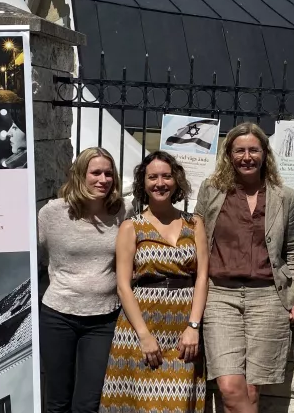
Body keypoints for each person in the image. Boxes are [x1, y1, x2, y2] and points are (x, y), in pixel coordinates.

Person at [194, 122, 294, 413]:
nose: (247, 156)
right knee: (230, 388)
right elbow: (197, 241)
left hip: (268, 298)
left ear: (265, 154)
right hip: (220, 296)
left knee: (252, 392)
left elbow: (291, 251)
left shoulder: (284, 196)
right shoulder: (213, 190)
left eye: (254, 150)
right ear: (228, 155)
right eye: (239, 150)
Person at [99, 151, 208, 413]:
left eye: (166, 176)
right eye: (153, 177)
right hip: (141, 325)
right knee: (140, 404)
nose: (160, 183)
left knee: (178, 403)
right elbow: (124, 286)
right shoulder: (131, 227)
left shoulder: (194, 223)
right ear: (143, 184)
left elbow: (202, 276)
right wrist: (144, 336)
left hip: (183, 327)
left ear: (177, 181)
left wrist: (193, 326)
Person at [38, 147, 134, 413]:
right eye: (95, 173)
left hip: (103, 319)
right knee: (57, 401)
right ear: (80, 174)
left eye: (108, 173)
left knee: (88, 403)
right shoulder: (52, 213)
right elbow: (37, 255)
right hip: (58, 315)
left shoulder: (122, 211)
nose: (103, 179)